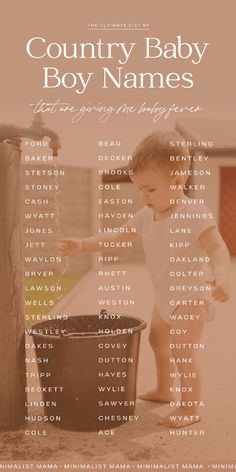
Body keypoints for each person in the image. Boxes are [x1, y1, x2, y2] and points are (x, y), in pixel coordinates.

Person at [58, 131, 230, 428]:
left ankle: (190, 408)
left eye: (149, 189)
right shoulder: (145, 215)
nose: (143, 196)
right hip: (164, 296)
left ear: (177, 182)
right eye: (139, 189)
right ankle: (165, 390)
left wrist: (220, 276)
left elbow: (217, 246)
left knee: (182, 350)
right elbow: (116, 235)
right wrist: (83, 244)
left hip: (190, 296)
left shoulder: (193, 212)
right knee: (156, 339)